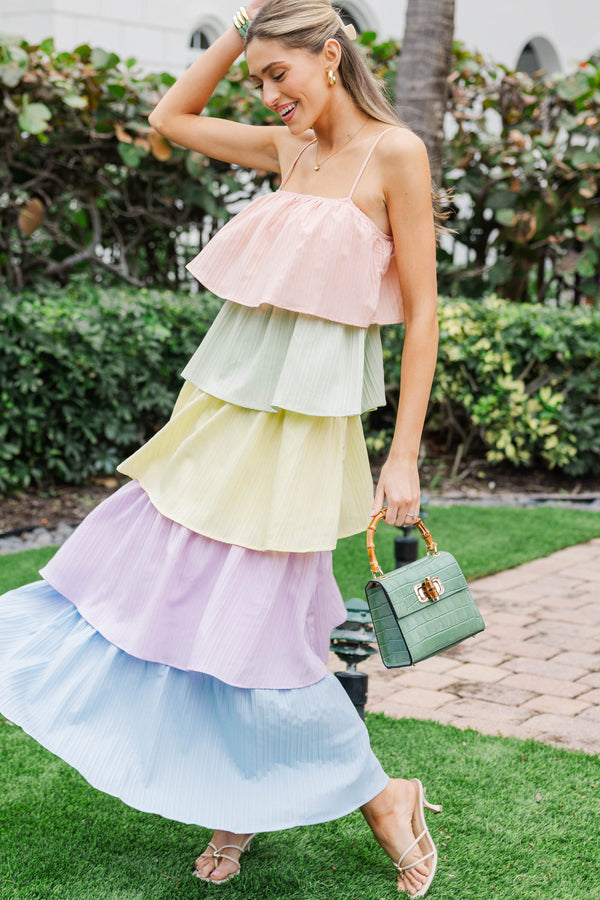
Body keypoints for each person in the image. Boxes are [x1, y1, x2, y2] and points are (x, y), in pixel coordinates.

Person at [0, 0, 443, 895]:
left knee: (264, 631)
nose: (269, 95)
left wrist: (404, 456)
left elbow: (427, 312)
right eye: (258, 81)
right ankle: (250, 804)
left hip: (305, 435)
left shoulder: (394, 152)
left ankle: (381, 796)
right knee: (168, 599)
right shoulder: (290, 150)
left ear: (329, 57)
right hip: (222, 415)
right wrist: (244, 26)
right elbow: (170, 122)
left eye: (279, 75)